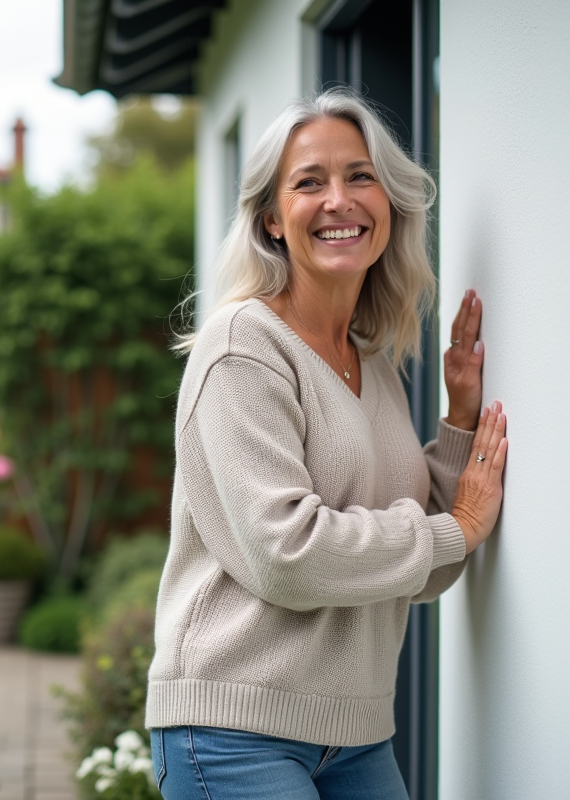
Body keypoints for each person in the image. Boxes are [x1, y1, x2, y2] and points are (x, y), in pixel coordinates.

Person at [145, 87, 509, 800]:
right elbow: (289, 554)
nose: (339, 200)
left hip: (358, 734)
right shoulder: (243, 345)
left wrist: (460, 422)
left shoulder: (371, 361)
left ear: (389, 204)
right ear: (272, 220)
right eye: (309, 182)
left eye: (359, 176)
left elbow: (425, 568)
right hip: (231, 730)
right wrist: (458, 526)